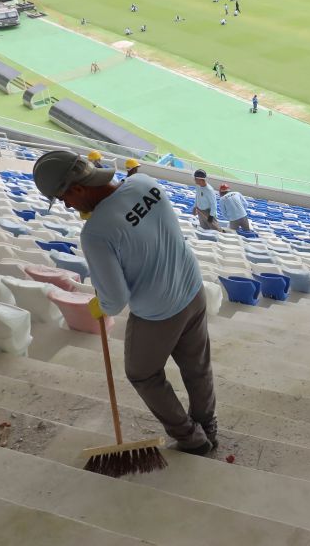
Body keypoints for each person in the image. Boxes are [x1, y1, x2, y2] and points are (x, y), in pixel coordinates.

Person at [31, 150, 218, 454]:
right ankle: (208, 427)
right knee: (197, 367)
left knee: (143, 374)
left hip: (159, 313)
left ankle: (191, 439)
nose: (67, 205)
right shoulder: (145, 182)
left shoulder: (96, 233)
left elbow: (115, 301)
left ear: (78, 188)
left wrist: (98, 305)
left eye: (64, 197)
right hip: (193, 290)